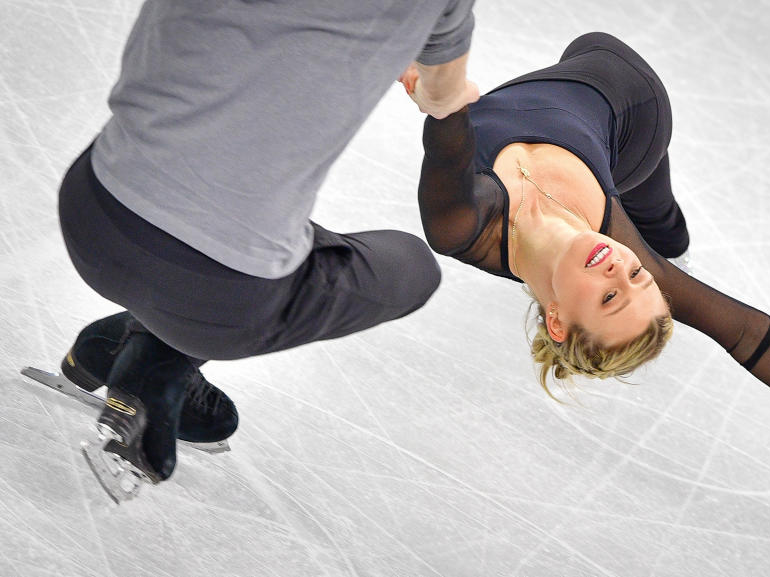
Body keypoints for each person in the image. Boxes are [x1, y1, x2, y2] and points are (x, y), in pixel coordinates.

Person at [408, 32, 770, 465]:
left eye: (608, 299)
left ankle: (663, 236)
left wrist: (437, 83)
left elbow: (447, 123)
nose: (618, 268)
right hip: (638, 117)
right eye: (636, 279)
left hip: (606, 105)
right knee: (661, 234)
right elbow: (744, 329)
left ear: (556, 320)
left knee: (652, 225)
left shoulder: (462, 224)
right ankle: (669, 242)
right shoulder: (623, 249)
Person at [57, 0, 480, 501]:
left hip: (94, 211)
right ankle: (153, 367)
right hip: (221, 296)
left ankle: (110, 347)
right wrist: (445, 86)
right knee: (412, 265)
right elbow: (441, 95)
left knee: (227, 194)